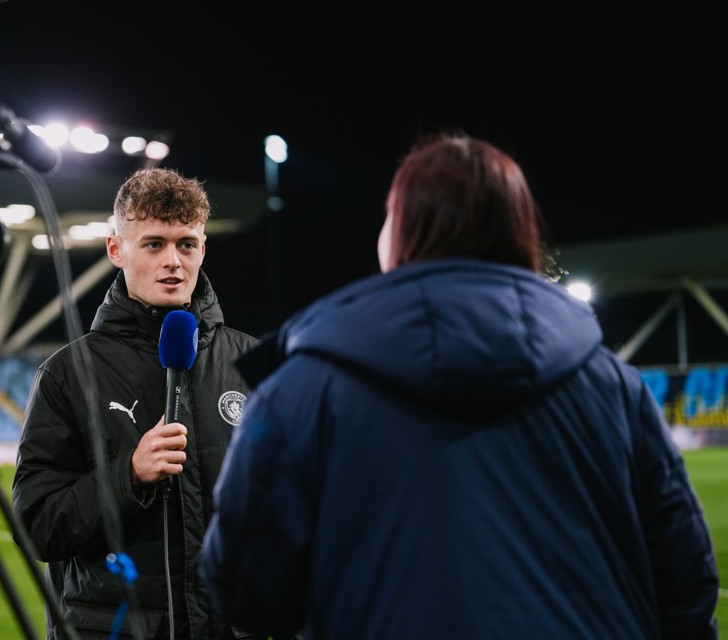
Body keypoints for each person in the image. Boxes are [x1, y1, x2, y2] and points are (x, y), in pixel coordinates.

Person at [199, 133, 720, 639]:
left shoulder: (300, 387)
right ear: (521, 232)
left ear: (399, 234)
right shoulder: (616, 385)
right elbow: (686, 583)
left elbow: (245, 588)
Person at [12, 167, 261, 639]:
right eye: (153, 244)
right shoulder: (67, 374)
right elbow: (38, 526)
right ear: (116, 250)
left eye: (186, 244)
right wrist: (130, 475)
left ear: (203, 250)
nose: (173, 261)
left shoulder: (251, 362)